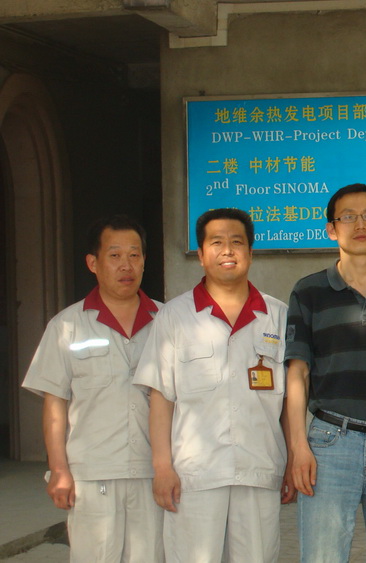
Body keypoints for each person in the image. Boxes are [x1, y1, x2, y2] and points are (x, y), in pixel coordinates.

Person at [134, 208, 289, 563]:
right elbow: (161, 396)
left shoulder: (278, 315)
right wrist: (162, 467)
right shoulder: (175, 316)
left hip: (258, 470)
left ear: (250, 252)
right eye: (216, 242)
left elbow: (291, 397)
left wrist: (293, 458)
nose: (228, 250)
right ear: (201, 255)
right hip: (194, 476)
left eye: (237, 242)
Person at [284, 184, 366, 562]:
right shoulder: (308, 292)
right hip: (330, 443)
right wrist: (298, 446)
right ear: (331, 229)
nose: (360, 225)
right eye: (348, 217)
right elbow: (298, 372)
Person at [21, 215, 164, 563]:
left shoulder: (168, 321)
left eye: (134, 255)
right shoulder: (67, 325)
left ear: (144, 261)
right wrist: (59, 469)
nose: (126, 265)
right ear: (93, 263)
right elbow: (54, 403)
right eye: (114, 256)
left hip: (154, 474)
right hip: (92, 475)